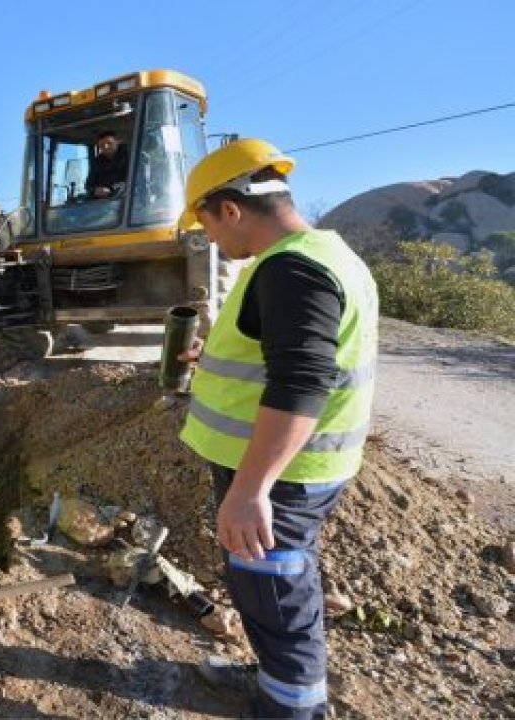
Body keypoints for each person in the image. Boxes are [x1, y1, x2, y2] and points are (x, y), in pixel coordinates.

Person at [175, 139, 378, 719]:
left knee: (274, 591)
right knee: (269, 587)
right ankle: (275, 678)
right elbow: (288, 357)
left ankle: (290, 706)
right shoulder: (323, 254)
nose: (211, 240)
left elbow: (302, 382)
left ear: (231, 209)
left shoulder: (292, 268)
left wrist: (250, 490)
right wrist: (212, 359)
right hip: (293, 468)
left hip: (280, 475)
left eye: (208, 225)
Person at [86, 130, 128, 199]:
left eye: (109, 143)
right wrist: (95, 191)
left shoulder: (132, 157)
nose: (105, 147)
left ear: (117, 142)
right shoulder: (97, 162)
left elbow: (138, 182)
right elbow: (89, 186)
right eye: (102, 145)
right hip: (103, 203)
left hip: (127, 202)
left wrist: (113, 189)